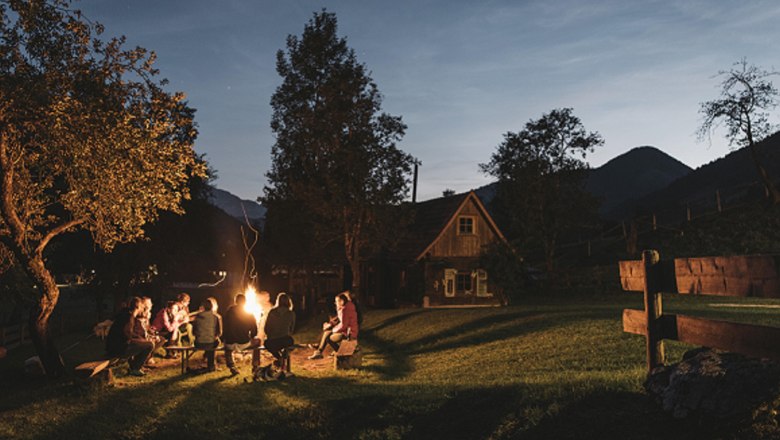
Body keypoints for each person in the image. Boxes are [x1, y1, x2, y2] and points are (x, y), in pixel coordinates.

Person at [106, 297, 155, 376]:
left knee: (143, 342)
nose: (143, 309)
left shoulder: (126, 314)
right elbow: (127, 334)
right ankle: (135, 369)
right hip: (118, 348)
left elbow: (129, 333)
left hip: (114, 346)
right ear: (138, 307)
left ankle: (136, 366)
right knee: (149, 345)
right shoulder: (128, 317)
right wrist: (141, 340)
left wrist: (140, 339)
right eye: (142, 307)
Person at [308, 292, 358, 360]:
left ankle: (322, 351)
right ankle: (320, 351)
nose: (335, 303)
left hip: (348, 334)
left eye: (337, 301)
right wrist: (331, 326)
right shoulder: (349, 306)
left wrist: (333, 330)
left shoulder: (344, 310)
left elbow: (343, 325)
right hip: (350, 331)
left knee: (328, 337)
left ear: (342, 301)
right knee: (327, 333)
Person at [258, 292, 296, 379]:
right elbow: (292, 330)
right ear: (288, 302)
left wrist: (271, 334)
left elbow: (266, 328)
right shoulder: (291, 313)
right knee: (290, 342)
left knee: (267, 343)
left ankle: (279, 358)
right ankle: (282, 358)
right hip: (284, 340)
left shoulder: (272, 312)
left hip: (272, 341)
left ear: (278, 301)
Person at [222, 293, 261, 376]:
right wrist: (251, 337)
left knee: (227, 346)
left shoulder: (229, 312)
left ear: (235, 301)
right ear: (245, 302)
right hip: (243, 343)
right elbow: (254, 330)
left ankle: (232, 366)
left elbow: (224, 327)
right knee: (258, 342)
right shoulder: (249, 314)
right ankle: (255, 365)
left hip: (230, 343)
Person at [192, 297, 223, 372]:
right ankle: (211, 365)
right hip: (211, 343)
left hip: (198, 343)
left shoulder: (197, 316)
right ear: (213, 306)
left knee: (211, 342)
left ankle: (208, 360)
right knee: (215, 341)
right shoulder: (217, 317)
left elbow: (193, 332)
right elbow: (220, 333)